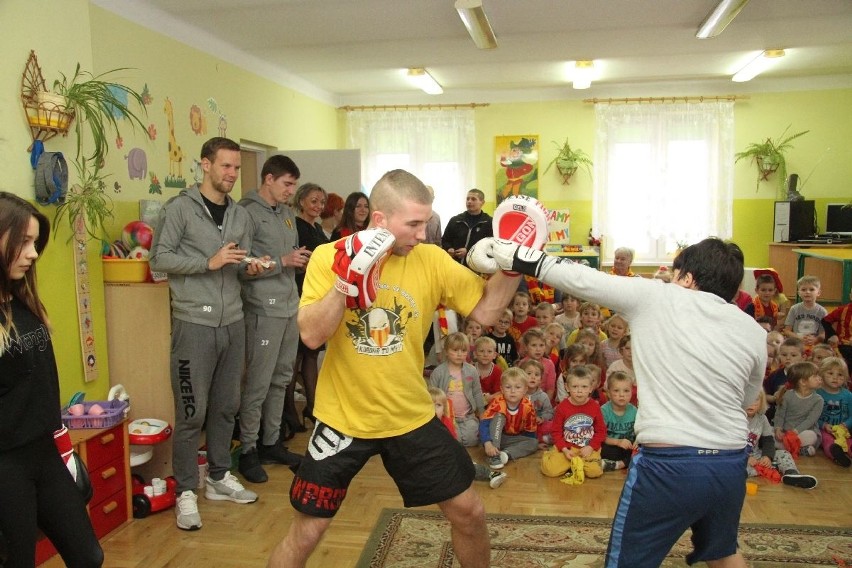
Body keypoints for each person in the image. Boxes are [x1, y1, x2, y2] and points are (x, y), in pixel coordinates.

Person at [267, 169, 521, 568]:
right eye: (415, 224)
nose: (423, 233)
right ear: (380, 220)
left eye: (426, 222)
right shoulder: (328, 255)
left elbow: (487, 311)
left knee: (470, 512)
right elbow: (312, 336)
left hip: (409, 416)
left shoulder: (431, 259)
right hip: (342, 420)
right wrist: (344, 284)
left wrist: (513, 267)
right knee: (308, 530)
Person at [466, 236, 766, 567]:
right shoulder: (752, 330)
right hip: (730, 463)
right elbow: (748, 399)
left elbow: (582, 279)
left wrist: (513, 254)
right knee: (723, 551)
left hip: (671, 464)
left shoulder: (661, 297)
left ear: (687, 278)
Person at [150, 137, 260, 531]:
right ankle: (184, 491)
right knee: (191, 412)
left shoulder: (240, 215)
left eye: (235, 167)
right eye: (225, 166)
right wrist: (208, 262)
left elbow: (239, 261)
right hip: (193, 324)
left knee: (226, 406)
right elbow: (159, 259)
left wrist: (252, 266)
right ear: (206, 165)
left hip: (233, 322)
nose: (231, 173)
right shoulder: (179, 209)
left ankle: (217, 477)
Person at [0, 192, 104, 567]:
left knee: (88, 556)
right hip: (6, 465)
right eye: (23, 242)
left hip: (44, 453)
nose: (32, 253)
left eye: (34, 242)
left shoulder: (21, 299)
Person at [236, 155, 307, 484]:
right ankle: (248, 449)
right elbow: (241, 265)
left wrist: (298, 261)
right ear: (268, 179)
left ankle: (271, 442)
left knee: (281, 380)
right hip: (263, 309)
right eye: (286, 184)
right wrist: (283, 260)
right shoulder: (246, 213)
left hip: (290, 305)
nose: (291, 191)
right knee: (258, 383)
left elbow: (288, 255)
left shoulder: (287, 214)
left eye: (293, 185)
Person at [282, 182, 329, 436]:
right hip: (299, 294)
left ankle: (313, 407)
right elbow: (296, 259)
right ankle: (289, 412)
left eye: (321, 202)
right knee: (295, 358)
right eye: (313, 201)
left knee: (312, 354)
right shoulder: (294, 226)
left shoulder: (318, 228)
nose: (318, 206)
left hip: (317, 296)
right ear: (301, 201)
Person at [429, 387, 507, 489]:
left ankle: (492, 474)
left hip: (447, 457)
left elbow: (452, 445)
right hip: (432, 462)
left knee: (465, 465)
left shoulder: (445, 423)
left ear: (444, 409)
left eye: (438, 405)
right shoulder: (420, 424)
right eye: (429, 405)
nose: (433, 409)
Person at [540, 365, 606, 481]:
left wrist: (591, 447)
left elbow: (601, 431)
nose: (579, 391)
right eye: (575, 386)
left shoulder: (595, 406)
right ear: (567, 387)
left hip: (587, 448)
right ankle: (551, 456)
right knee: (550, 470)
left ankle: (576, 464)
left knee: (594, 472)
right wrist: (564, 449)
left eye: (584, 387)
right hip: (568, 447)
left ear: (591, 388)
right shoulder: (562, 407)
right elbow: (556, 432)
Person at [744, 391, 817, 489]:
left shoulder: (762, 419)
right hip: (737, 456)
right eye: (748, 399)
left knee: (783, 453)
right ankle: (772, 468)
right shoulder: (734, 419)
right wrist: (745, 458)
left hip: (756, 455)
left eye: (756, 399)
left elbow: (768, 440)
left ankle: (791, 474)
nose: (751, 403)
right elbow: (729, 444)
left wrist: (767, 456)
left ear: (761, 402)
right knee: (735, 468)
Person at [428, 332, 485, 447]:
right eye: (455, 350)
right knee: (454, 440)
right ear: (446, 351)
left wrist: (482, 412)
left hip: (467, 416)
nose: (459, 354)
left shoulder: (472, 370)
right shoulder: (438, 372)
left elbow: (477, 392)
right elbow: (432, 397)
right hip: (447, 417)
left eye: (463, 351)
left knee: (472, 440)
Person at [479, 368, 539, 469]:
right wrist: (487, 443)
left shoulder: (527, 406)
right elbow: (484, 424)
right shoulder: (498, 402)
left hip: (512, 439)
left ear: (525, 390)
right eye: (508, 387)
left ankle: (506, 454)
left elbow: (530, 429)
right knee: (499, 416)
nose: (513, 391)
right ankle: (494, 454)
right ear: (502, 389)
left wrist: (529, 444)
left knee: (534, 443)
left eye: (518, 387)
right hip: (495, 438)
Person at [774, 361, 824, 457]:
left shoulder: (818, 400)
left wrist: (795, 432)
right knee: (768, 434)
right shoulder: (788, 395)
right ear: (803, 382)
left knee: (811, 436)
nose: (819, 378)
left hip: (802, 432)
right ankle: (796, 449)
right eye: (815, 376)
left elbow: (810, 420)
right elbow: (780, 414)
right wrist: (778, 429)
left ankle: (787, 447)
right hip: (785, 432)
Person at [815, 357, 852, 467]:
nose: (835, 378)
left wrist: (845, 425)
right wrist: (824, 425)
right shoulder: (817, 393)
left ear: (845, 377)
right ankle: (836, 455)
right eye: (830, 373)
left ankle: (847, 451)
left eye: (840, 375)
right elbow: (813, 415)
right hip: (824, 429)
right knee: (827, 441)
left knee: (848, 442)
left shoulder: (848, 395)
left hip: (843, 430)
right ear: (821, 374)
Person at [442, 188, 493, 265]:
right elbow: (445, 240)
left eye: (473, 199)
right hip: (454, 266)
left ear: (482, 202)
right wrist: (449, 248)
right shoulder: (455, 220)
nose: (469, 201)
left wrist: (468, 251)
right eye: (467, 199)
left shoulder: (489, 222)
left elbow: (490, 247)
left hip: (476, 267)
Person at [600, 371, 637, 472]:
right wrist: (618, 442)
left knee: (642, 450)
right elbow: (601, 437)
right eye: (616, 391)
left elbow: (639, 431)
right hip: (612, 445)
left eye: (626, 391)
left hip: (629, 447)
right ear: (608, 393)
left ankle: (619, 464)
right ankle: (625, 463)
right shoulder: (604, 410)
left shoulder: (634, 411)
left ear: (631, 392)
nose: (621, 395)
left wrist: (637, 441)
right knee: (603, 450)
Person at [764, 337, 805, 422]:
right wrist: (774, 398)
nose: (788, 358)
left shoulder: (807, 376)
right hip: (777, 416)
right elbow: (764, 395)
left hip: (801, 417)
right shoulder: (774, 375)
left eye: (793, 355)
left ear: (803, 357)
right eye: (784, 355)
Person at [783, 275, 827, 349]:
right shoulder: (794, 309)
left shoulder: (822, 311)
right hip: (796, 344)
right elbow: (787, 331)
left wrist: (815, 339)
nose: (807, 292)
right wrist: (799, 338)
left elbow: (824, 333)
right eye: (803, 290)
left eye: (811, 289)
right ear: (799, 293)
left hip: (814, 345)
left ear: (818, 292)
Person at [518, 359, 554, 446]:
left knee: (551, 425)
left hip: (538, 426)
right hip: (521, 426)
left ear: (540, 379)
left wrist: (542, 418)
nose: (533, 377)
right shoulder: (518, 395)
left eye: (537, 375)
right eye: (529, 373)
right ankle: (534, 441)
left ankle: (540, 439)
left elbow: (549, 412)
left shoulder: (543, 396)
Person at [517, 328, 556, 403]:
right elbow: (519, 386)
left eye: (541, 345)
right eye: (534, 345)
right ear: (526, 347)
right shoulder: (522, 363)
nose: (538, 349)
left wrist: (544, 403)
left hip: (543, 401)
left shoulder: (549, 364)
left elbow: (550, 388)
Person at [822, 289, 852, 374]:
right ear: (850, 296)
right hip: (844, 345)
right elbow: (825, 321)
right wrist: (833, 335)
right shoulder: (843, 310)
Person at [472, 336, 502, 402]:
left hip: (492, 403)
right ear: (475, 354)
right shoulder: (470, 369)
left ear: (494, 355)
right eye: (481, 351)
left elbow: (500, 392)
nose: (485, 355)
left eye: (489, 351)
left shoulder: (497, 371)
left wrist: (490, 398)